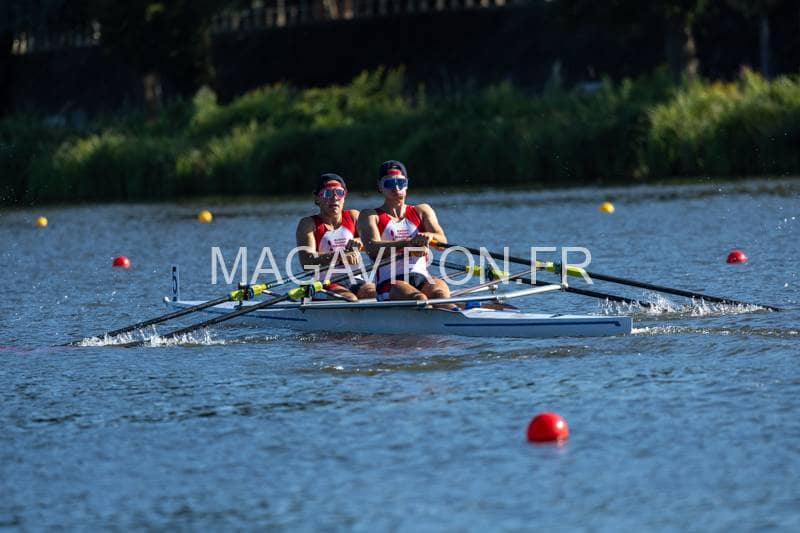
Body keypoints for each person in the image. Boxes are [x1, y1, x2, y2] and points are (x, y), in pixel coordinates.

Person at [357, 160, 452, 304]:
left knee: (440, 295)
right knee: (419, 299)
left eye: (400, 183)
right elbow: (373, 250)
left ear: (407, 184)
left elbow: (442, 242)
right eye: (389, 183)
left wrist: (428, 236)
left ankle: (455, 311)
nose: (396, 188)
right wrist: (408, 243)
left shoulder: (422, 210)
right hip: (390, 283)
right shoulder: (370, 215)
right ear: (380, 186)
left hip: (422, 278)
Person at [295, 173, 376, 301]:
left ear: (344, 196)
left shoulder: (354, 216)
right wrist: (339, 256)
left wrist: (361, 242)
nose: (334, 198)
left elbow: (375, 244)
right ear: (317, 198)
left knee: (374, 293)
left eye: (339, 193)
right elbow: (306, 262)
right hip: (324, 284)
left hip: (355, 279)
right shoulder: (308, 224)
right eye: (328, 193)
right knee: (350, 298)